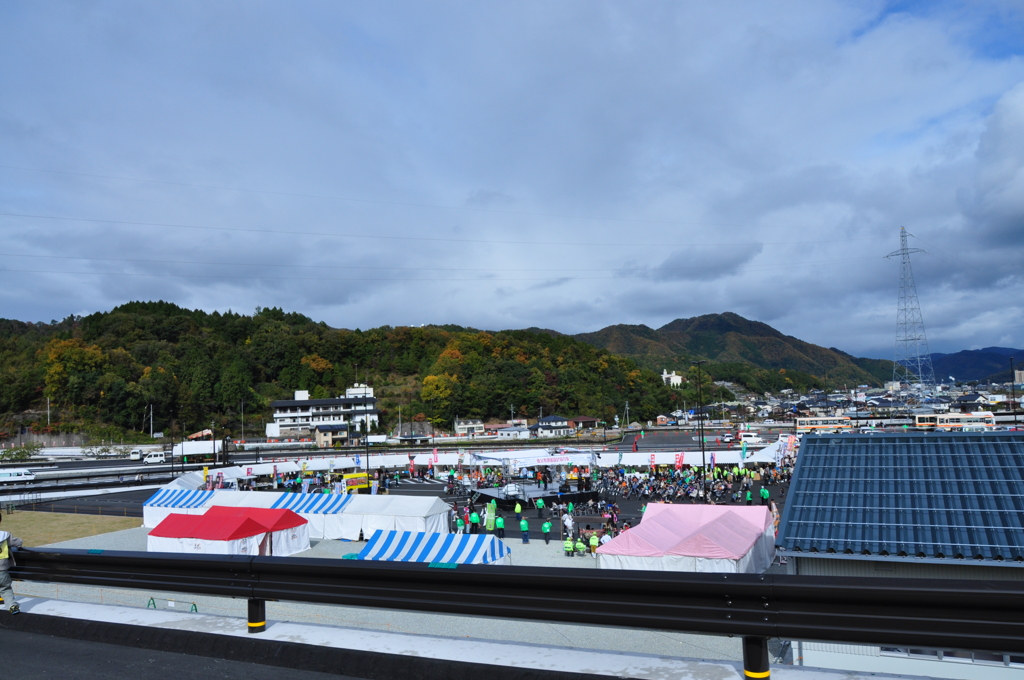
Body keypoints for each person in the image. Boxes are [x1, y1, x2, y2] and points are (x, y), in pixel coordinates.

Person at [0, 514, 22, 614]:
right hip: (2, 570)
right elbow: (17, 542)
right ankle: (12, 606)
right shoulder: (5, 535)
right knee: (6, 589)